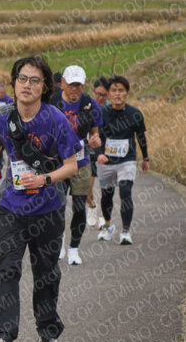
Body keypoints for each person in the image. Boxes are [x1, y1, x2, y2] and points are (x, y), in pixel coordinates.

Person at [0, 55, 80, 342]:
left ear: (44, 87)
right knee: (7, 267)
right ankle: (2, 337)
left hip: (48, 208)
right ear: (14, 83)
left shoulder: (56, 119)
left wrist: (44, 179)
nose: (27, 85)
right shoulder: (2, 117)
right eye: (22, 79)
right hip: (11, 207)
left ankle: (48, 330)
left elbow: (72, 165)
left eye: (34, 80)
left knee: (46, 273)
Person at [50, 65, 103, 265]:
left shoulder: (90, 104)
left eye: (79, 85)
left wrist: (96, 140)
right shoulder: (52, 102)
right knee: (58, 206)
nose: (75, 89)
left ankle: (74, 248)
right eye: (71, 84)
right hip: (57, 162)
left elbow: (95, 133)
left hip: (81, 161)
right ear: (63, 83)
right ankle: (60, 242)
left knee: (79, 207)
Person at [97, 75, 150, 245]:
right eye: (114, 90)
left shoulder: (135, 114)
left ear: (127, 93)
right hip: (106, 160)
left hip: (127, 160)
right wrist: (99, 153)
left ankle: (125, 231)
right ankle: (107, 225)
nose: (117, 94)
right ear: (108, 94)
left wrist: (145, 158)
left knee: (125, 191)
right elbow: (95, 136)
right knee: (107, 195)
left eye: (121, 90)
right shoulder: (101, 113)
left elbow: (141, 137)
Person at [87, 76, 110, 229]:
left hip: (105, 151)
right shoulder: (86, 105)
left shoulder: (109, 109)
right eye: (98, 94)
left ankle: (103, 216)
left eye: (104, 95)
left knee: (106, 188)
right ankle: (92, 206)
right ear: (93, 91)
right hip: (88, 151)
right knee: (86, 187)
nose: (100, 98)